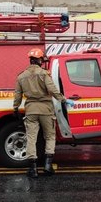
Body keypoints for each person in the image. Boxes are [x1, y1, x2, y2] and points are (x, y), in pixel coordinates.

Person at [13, 48, 74, 178]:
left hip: (31, 110)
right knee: (50, 137)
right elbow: (52, 90)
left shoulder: (21, 76)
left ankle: (33, 169)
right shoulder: (44, 74)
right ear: (40, 60)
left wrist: (15, 108)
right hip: (46, 109)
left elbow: (17, 95)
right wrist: (63, 100)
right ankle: (47, 166)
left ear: (30, 60)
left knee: (31, 138)